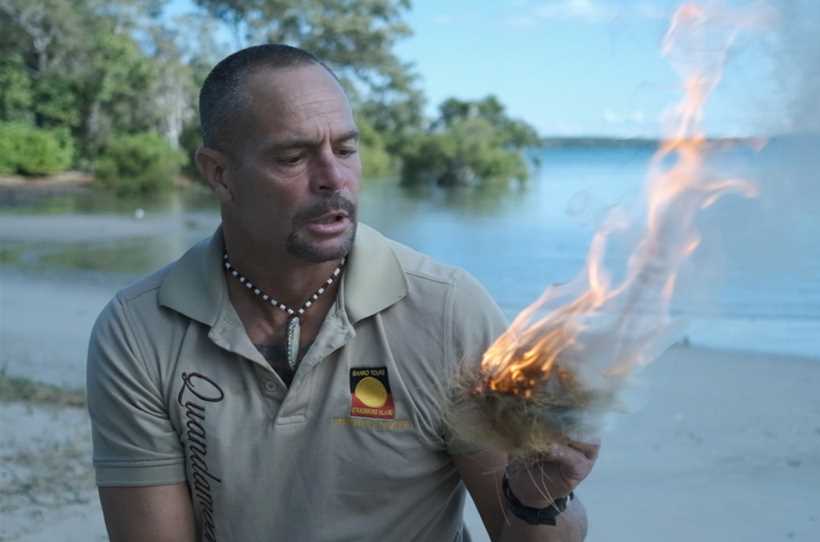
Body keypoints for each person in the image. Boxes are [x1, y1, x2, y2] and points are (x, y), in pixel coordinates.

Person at [87, 44, 599, 542]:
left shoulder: (446, 311)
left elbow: (524, 529)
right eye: (293, 157)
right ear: (219, 174)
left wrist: (543, 497)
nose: (334, 179)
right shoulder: (139, 330)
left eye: (346, 149)